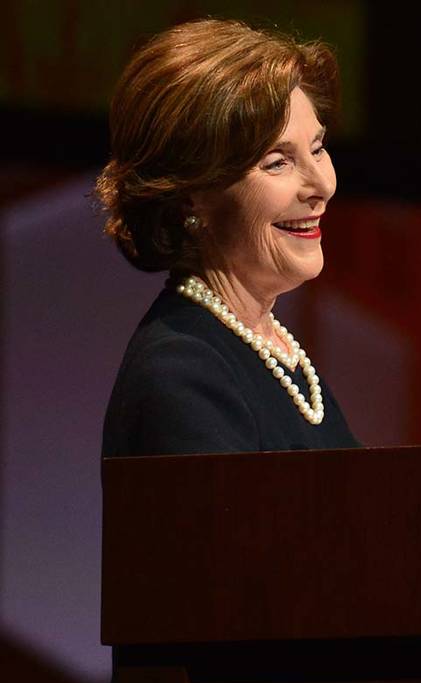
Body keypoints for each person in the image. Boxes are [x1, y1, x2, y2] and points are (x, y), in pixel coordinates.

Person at [98, 19, 360, 456]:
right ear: (190, 197)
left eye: (317, 148)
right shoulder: (183, 370)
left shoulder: (271, 353)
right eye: (278, 162)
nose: (322, 185)